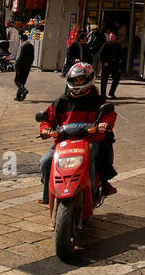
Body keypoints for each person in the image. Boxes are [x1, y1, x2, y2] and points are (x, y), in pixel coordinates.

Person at [36, 62, 117, 203]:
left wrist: (105, 124)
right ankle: (48, 195)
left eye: (81, 80)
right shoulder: (61, 101)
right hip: (63, 143)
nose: (78, 83)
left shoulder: (98, 101)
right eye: (75, 80)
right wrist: (45, 129)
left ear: (89, 80)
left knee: (91, 158)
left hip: (89, 140)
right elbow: (48, 118)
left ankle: (92, 193)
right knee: (46, 161)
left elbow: (109, 115)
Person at [98, 30, 123, 99]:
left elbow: (120, 54)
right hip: (107, 65)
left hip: (115, 65)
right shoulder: (105, 45)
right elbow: (100, 54)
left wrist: (120, 60)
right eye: (110, 36)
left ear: (115, 37)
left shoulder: (118, 45)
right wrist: (103, 62)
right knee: (104, 80)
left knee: (116, 79)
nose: (111, 38)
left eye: (112, 36)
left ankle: (111, 93)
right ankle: (103, 94)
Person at [14, 33, 35, 101]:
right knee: (22, 81)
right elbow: (33, 57)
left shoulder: (22, 46)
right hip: (28, 66)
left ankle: (23, 90)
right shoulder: (31, 46)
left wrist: (16, 64)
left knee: (17, 81)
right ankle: (18, 96)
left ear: (22, 39)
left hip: (20, 65)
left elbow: (18, 56)